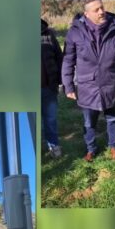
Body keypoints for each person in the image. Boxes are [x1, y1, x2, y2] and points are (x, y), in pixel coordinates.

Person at [62, 0, 115, 162]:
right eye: (96, 10)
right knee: (89, 121)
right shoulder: (75, 32)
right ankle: (91, 148)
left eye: (102, 7)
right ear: (86, 14)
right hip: (88, 85)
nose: (102, 12)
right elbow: (68, 60)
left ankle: (114, 145)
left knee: (112, 117)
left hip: (111, 81)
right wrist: (68, 86)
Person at [41, 19, 63, 158]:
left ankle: (53, 145)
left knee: (50, 119)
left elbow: (59, 58)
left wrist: (59, 81)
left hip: (48, 87)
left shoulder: (48, 34)